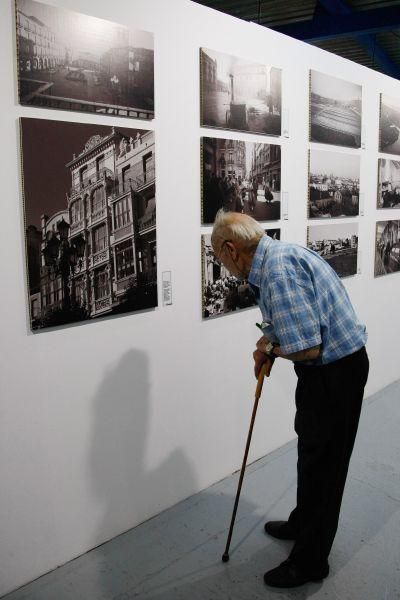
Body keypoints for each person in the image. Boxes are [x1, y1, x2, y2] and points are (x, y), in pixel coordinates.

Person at [211, 211, 369, 589]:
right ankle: (302, 523)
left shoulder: (278, 273)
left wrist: (272, 351)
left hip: (335, 372)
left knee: (326, 467)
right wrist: (268, 343)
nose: (225, 268)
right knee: (311, 453)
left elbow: (309, 347)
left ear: (232, 250)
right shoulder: (272, 262)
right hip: (324, 373)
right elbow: (286, 323)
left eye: (220, 259)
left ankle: (311, 562)